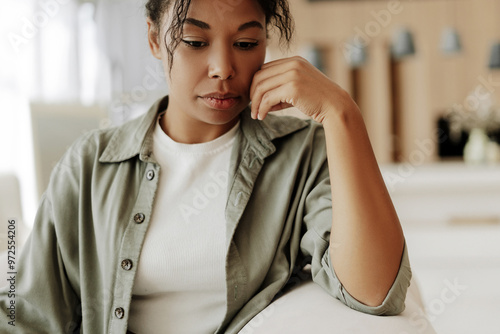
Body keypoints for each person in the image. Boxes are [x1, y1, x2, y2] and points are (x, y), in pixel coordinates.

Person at [0, 0, 411, 333]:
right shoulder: (91, 164)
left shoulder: (302, 155)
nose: (222, 68)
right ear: (153, 39)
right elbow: (28, 316)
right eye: (195, 41)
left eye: (247, 44)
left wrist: (342, 113)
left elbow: (374, 292)